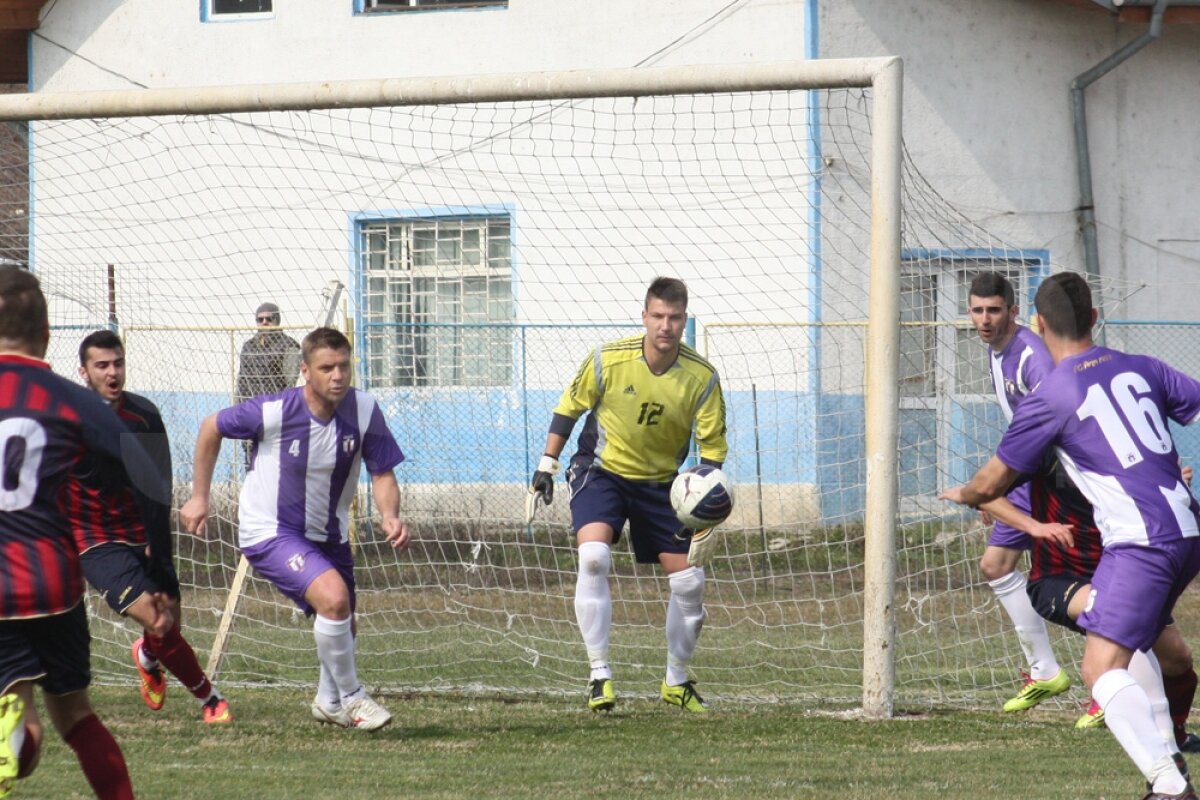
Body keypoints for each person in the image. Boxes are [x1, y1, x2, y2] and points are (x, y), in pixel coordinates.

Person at [942, 271, 1200, 799]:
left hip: (1140, 540)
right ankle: (1171, 754)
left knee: (1100, 669)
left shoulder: (1052, 393)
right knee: (1151, 649)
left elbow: (992, 481)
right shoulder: (1143, 366)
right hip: (1188, 527)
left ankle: (1169, 785)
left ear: (1036, 322)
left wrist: (968, 494)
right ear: (1095, 320)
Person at [180, 326, 409, 731]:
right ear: (305, 370)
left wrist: (390, 515)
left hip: (329, 534)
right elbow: (210, 426)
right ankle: (354, 697)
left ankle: (328, 699)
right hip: (270, 530)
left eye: (343, 366)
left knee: (344, 620)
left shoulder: (365, 410)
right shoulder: (273, 410)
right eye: (326, 368)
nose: (337, 375)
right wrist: (200, 496)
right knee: (334, 599)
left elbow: (383, 473)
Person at [0, 266, 169, 800]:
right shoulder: (72, 400)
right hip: (54, 578)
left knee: (21, 723)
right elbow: (149, 479)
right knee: (76, 716)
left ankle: (12, 738)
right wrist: (160, 570)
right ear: (48, 335)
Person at [526, 276, 727, 713]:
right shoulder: (607, 360)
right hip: (602, 472)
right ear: (644, 317)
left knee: (690, 583)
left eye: (674, 318)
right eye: (657, 316)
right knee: (594, 557)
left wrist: (705, 513)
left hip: (664, 485)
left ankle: (676, 681)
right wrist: (547, 463)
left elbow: (711, 452)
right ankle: (599, 675)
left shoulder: (702, 378)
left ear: (684, 320)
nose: (665, 326)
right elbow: (570, 407)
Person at [982, 458, 1200, 748]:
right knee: (1119, 623)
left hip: (1118, 570)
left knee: (1177, 659)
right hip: (1058, 577)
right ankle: (1156, 740)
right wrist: (1029, 524)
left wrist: (1172, 485)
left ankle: (1174, 733)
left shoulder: (1129, 450)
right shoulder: (1048, 445)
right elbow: (986, 488)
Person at [77, 329, 231, 724]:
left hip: (142, 532)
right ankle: (210, 698)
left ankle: (146, 655)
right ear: (84, 372)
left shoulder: (143, 416)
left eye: (118, 363)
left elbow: (158, 487)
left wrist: (158, 551)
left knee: (168, 625)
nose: (112, 373)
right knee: (157, 618)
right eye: (102, 366)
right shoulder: (69, 421)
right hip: (93, 540)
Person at [965, 272, 1070, 713]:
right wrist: (999, 486)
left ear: (1012, 311)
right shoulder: (996, 351)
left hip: (1060, 475)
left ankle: (1110, 682)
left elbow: (1052, 423)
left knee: (1092, 580)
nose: (985, 319)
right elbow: (1020, 428)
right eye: (977, 310)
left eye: (994, 310)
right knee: (996, 564)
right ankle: (1045, 672)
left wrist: (1001, 485)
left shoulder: (1031, 356)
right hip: (1031, 472)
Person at [235, 302, 301, 402]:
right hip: (248, 404)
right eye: (260, 319)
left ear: (277, 320)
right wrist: (237, 405)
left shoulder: (289, 345)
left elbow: (290, 383)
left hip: (273, 405)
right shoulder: (248, 346)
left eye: (269, 319)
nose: (264, 322)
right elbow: (241, 379)